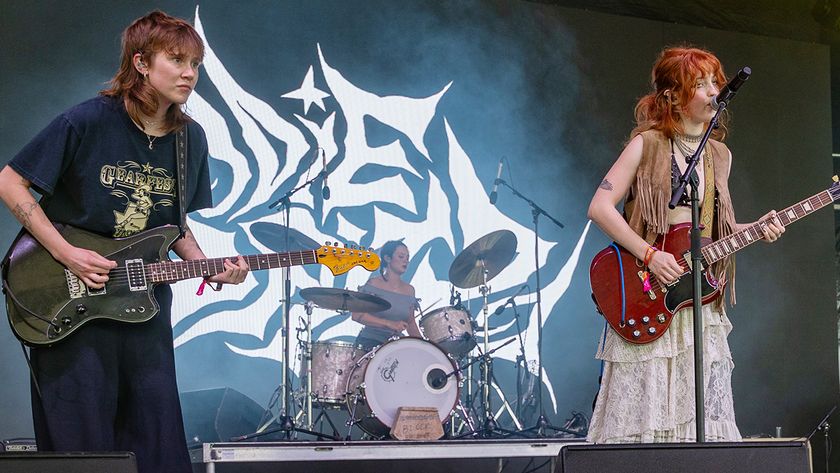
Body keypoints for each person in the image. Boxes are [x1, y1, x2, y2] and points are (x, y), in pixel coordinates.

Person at [0, 11, 249, 473]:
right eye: (176, 59)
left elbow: (173, 225)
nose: (189, 72)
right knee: (83, 445)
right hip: (71, 301)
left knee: (156, 442)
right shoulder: (89, 120)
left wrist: (206, 265)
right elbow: (10, 182)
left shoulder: (189, 138)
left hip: (143, 304)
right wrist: (66, 252)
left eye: (195, 62)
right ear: (140, 63)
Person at [585, 46, 784, 443]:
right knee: (645, 415)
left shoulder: (719, 155)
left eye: (716, 81)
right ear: (673, 95)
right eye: (701, 84)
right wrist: (650, 254)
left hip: (698, 301)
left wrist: (757, 228)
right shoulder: (648, 144)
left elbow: (715, 234)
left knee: (702, 420)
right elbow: (600, 207)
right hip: (649, 289)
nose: (714, 91)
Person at [352, 240, 423, 351]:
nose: (406, 261)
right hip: (370, 343)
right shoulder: (373, 284)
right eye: (401, 256)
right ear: (387, 258)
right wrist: (389, 324)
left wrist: (426, 346)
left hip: (396, 346)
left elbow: (410, 322)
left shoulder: (410, 290)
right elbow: (357, 315)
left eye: (407, 258)